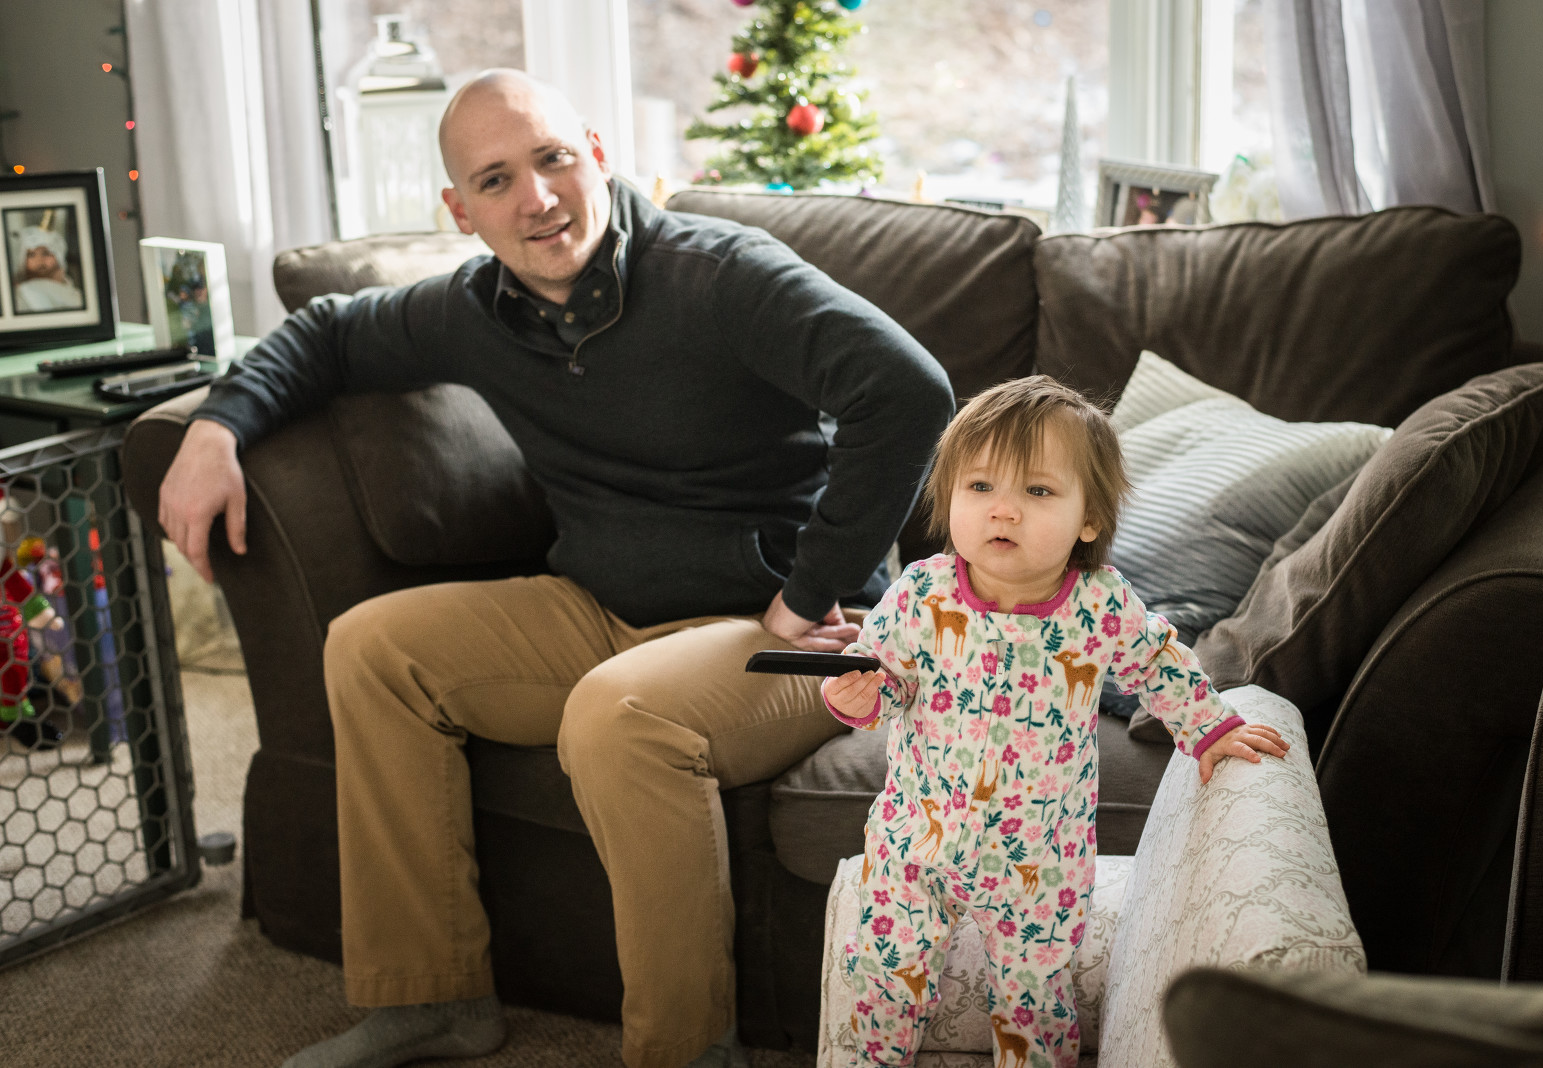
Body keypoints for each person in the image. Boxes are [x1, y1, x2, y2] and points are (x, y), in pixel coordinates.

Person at [156, 70, 954, 1068]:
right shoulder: (474, 311)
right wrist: (216, 428)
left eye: (553, 159)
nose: (536, 198)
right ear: (460, 210)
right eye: (495, 180)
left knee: (618, 718)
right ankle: (433, 997)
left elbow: (908, 390)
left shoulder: (721, 274)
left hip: (787, 638)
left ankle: (687, 1054)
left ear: (598, 156)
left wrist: (808, 591)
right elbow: (328, 334)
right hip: (606, 607)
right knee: (373, 648)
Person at [820, 376, 1288, 1067]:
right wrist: (859, 696)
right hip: (914, 843)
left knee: (1035, 1008)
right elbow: (883, 681)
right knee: (882, 981)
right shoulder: (921, 594)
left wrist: (1211, 728)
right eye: (980, 487)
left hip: (1038, 862)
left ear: (1088, 519)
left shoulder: (1099, 604)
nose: (1003, 509)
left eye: (1037, 491)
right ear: (949, 499)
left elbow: (1160, 664)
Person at [11, 225, 84, 313]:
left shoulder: (75, 295)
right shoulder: (20, 294)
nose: (39, 260)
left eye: (46, 253)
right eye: (31, 255)